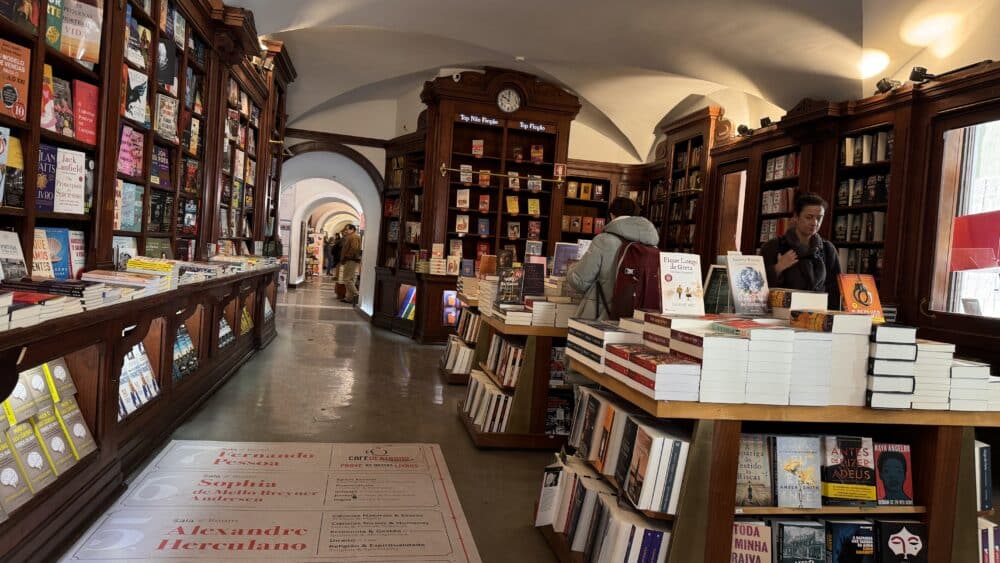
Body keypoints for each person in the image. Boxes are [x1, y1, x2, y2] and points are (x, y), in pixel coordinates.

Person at [567, 197, 658, 320]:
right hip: (638, 318)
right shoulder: (651, 243)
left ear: (611, 215)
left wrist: (571, 267)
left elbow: (579, 281)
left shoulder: (604, 240)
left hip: (602, 316)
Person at [760, 192, 842, 309]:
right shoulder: (774, 246)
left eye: (819, 218)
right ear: (796, 217)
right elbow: (756, 287)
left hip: (818, 315)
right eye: (809, 217)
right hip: (781, 314)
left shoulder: (827, 249)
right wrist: (778, 268)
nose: (815, 223)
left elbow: (835, 289)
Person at [339, 225, 362, 305]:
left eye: (347, 229)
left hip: (350, 260)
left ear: (352, 229)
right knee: (350, 279)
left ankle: (357, 294)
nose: (346, 230)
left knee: (347, 279)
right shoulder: (351, 236)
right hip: (350, 259)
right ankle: (349, 298)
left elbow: (354, 248)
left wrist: (346, 256)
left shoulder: (354, 237)